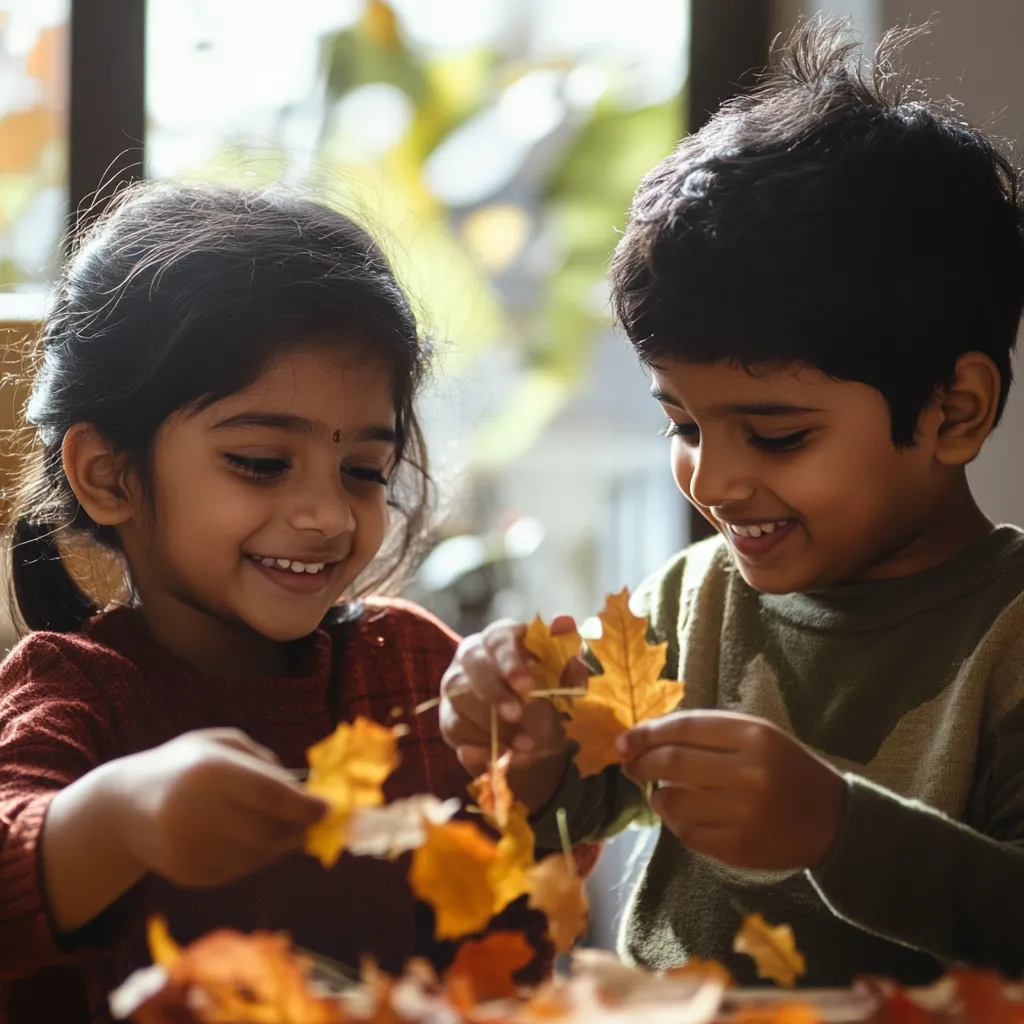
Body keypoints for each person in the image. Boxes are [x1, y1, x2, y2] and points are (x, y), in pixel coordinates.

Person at [439, 20, 1024, 987]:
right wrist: (521, 738)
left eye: (779, 435)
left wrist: (836, 829)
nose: (712, 482)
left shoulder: (1008, 639)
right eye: (683, 425)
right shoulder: (694, 601)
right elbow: (550, 813)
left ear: (953, 412)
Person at [0, 183, 491, 1022]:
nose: (330, 516)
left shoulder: (412, 671)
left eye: (363, 471)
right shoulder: (74, 692)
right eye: (262, 463)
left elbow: (519, 910)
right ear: (108, 475)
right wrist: (121, 818)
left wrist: (537, 760)